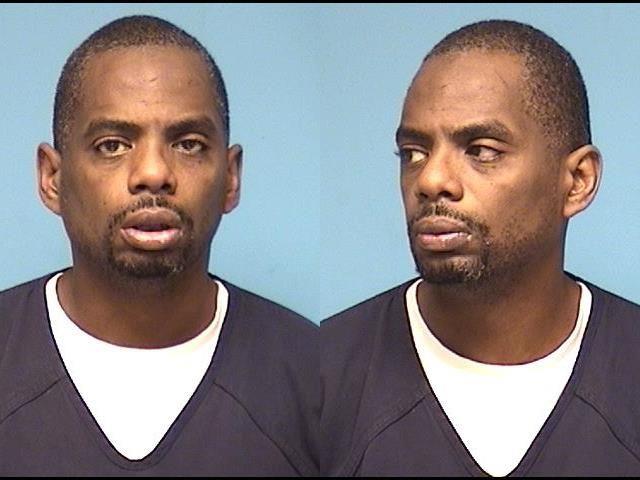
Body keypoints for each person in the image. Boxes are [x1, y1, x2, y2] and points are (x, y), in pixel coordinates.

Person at [0, 15, 318, 476]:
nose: (153, 172)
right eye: (112, 145)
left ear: (231, 178)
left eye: (188, 144)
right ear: (53, 178)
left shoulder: (314, 378)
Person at [320, 19, 640, 476]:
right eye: (413, 152)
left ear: (577, 181)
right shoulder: (324, 375)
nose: (431, 179)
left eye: (482, 150)